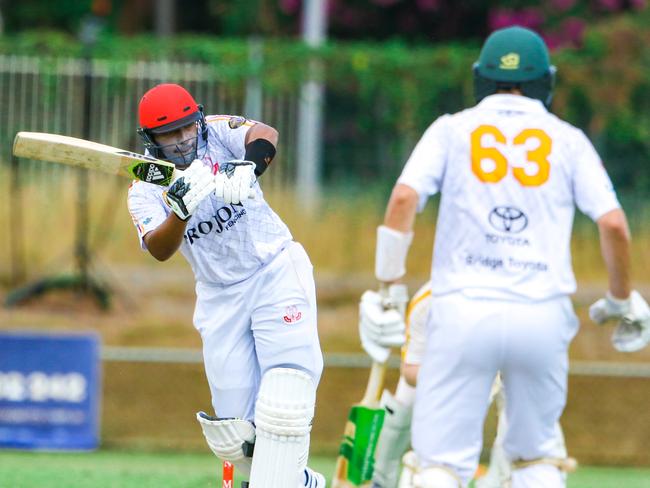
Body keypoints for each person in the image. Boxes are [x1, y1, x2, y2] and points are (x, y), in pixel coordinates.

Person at [359, 26, 650, 488]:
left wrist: (388, 287)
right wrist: (620, 299)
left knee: (439, 466)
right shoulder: (568, 139)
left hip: (461, 311)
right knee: (535, 459)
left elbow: (402, 200)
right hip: (541, 313)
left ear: (481, 78)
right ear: (546, 81)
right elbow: (614, 224)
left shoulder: (451, 129)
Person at [127, 83, 325, 488]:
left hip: (274, 269)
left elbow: (265, 133)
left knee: (285, 397)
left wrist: (248, 166)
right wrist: (181, 211)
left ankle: (287, 480)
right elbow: (159, 249)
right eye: (169, 135)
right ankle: (301, 481)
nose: (182, 141)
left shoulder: (217, 132)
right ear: (151, 140)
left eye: (186, 129)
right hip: (219, 295)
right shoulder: (143, 188)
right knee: (234, 433)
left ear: (197, 120)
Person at [364, 282, 575, 488]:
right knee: (410, 404)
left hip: (511, 372)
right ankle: (381, 475)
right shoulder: (428, 303)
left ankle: (500, 479)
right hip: (448, 382)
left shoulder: (526, 304)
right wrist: (455, 379)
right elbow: (411, 371)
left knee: (524, 422)